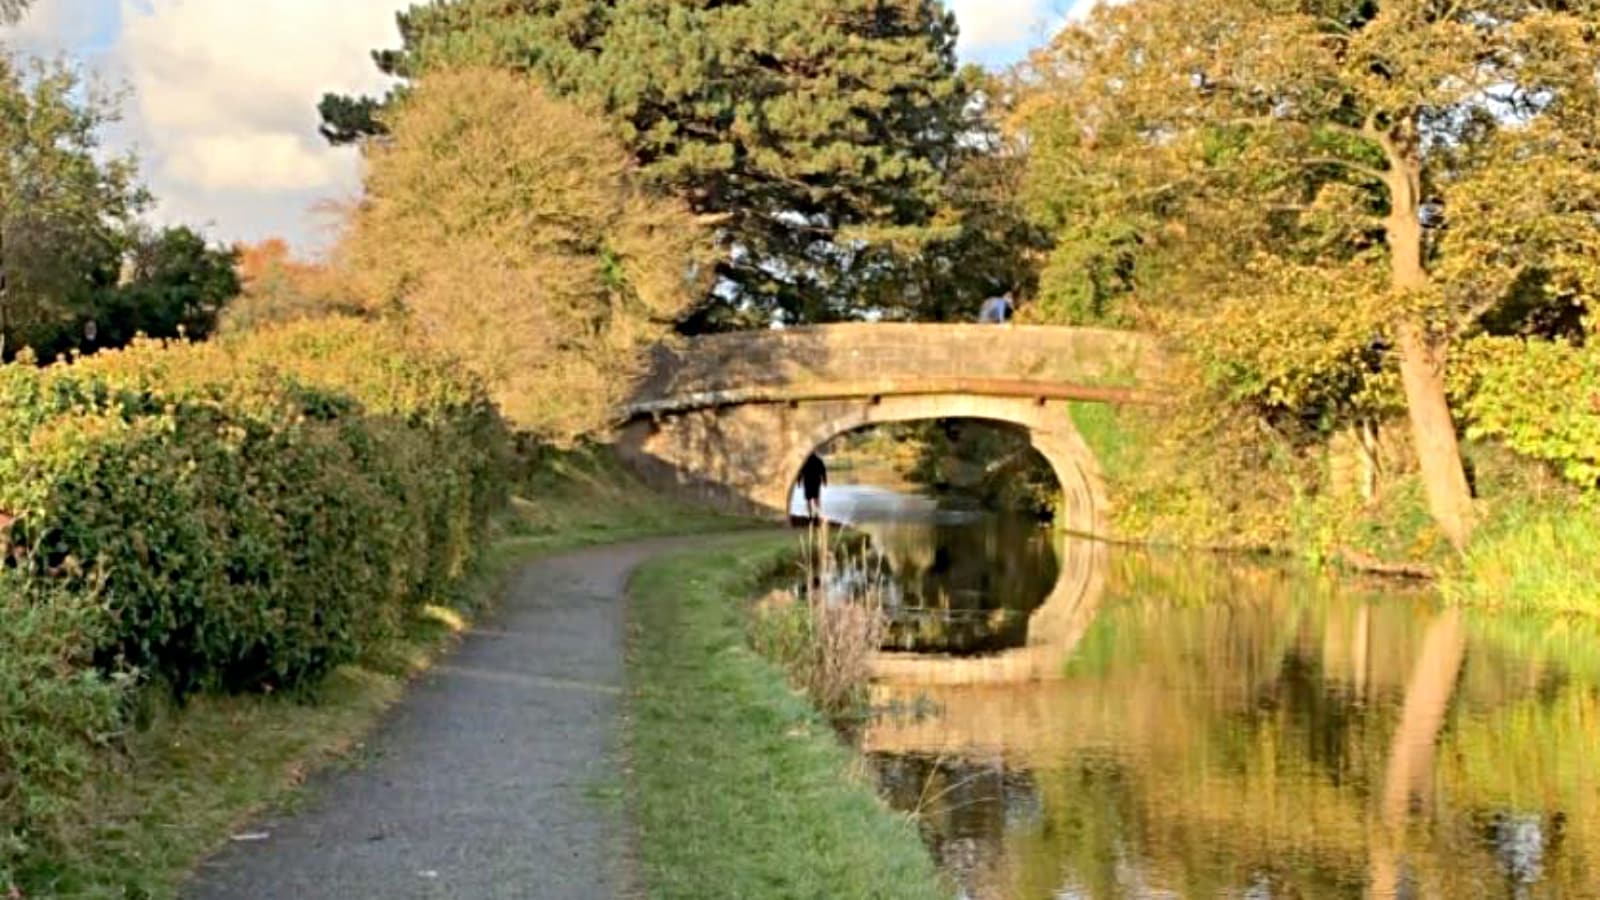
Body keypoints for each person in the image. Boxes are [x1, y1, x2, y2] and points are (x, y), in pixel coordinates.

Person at [799, 452, 828, 522]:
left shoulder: (804, 461)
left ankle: (810, 516)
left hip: (807, 482)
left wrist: (799, 481)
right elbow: (823, 471)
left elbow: (800, 472)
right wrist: (825, 481)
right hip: (816, 482)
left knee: (808, 500)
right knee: (816, 499)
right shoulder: (818, 460)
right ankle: (817, 515)